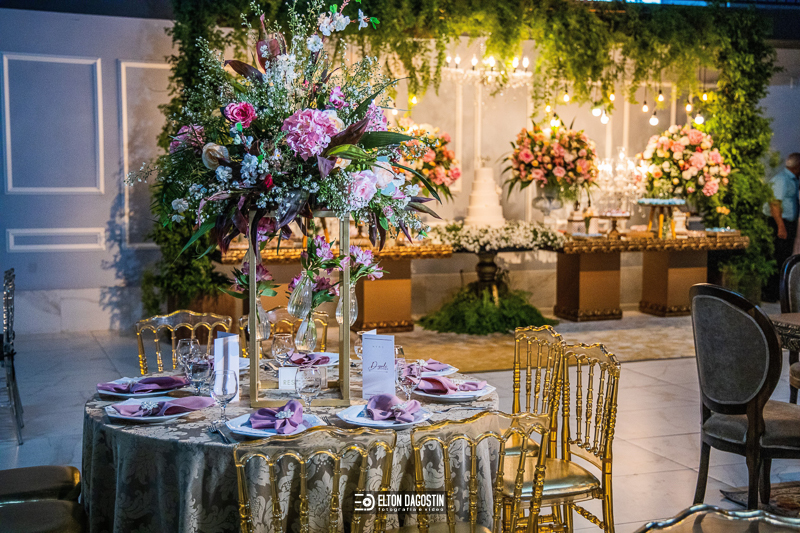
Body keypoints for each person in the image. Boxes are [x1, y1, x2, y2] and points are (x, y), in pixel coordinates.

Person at [764, 153, 800, 302]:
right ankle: (771, 294)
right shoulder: (782, 179)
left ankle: (780, 293)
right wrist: (781, 226)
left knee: (784, 257)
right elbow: (774, 203)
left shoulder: (793, 179)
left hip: (787, 223)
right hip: (779, 222)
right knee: (778, 258)